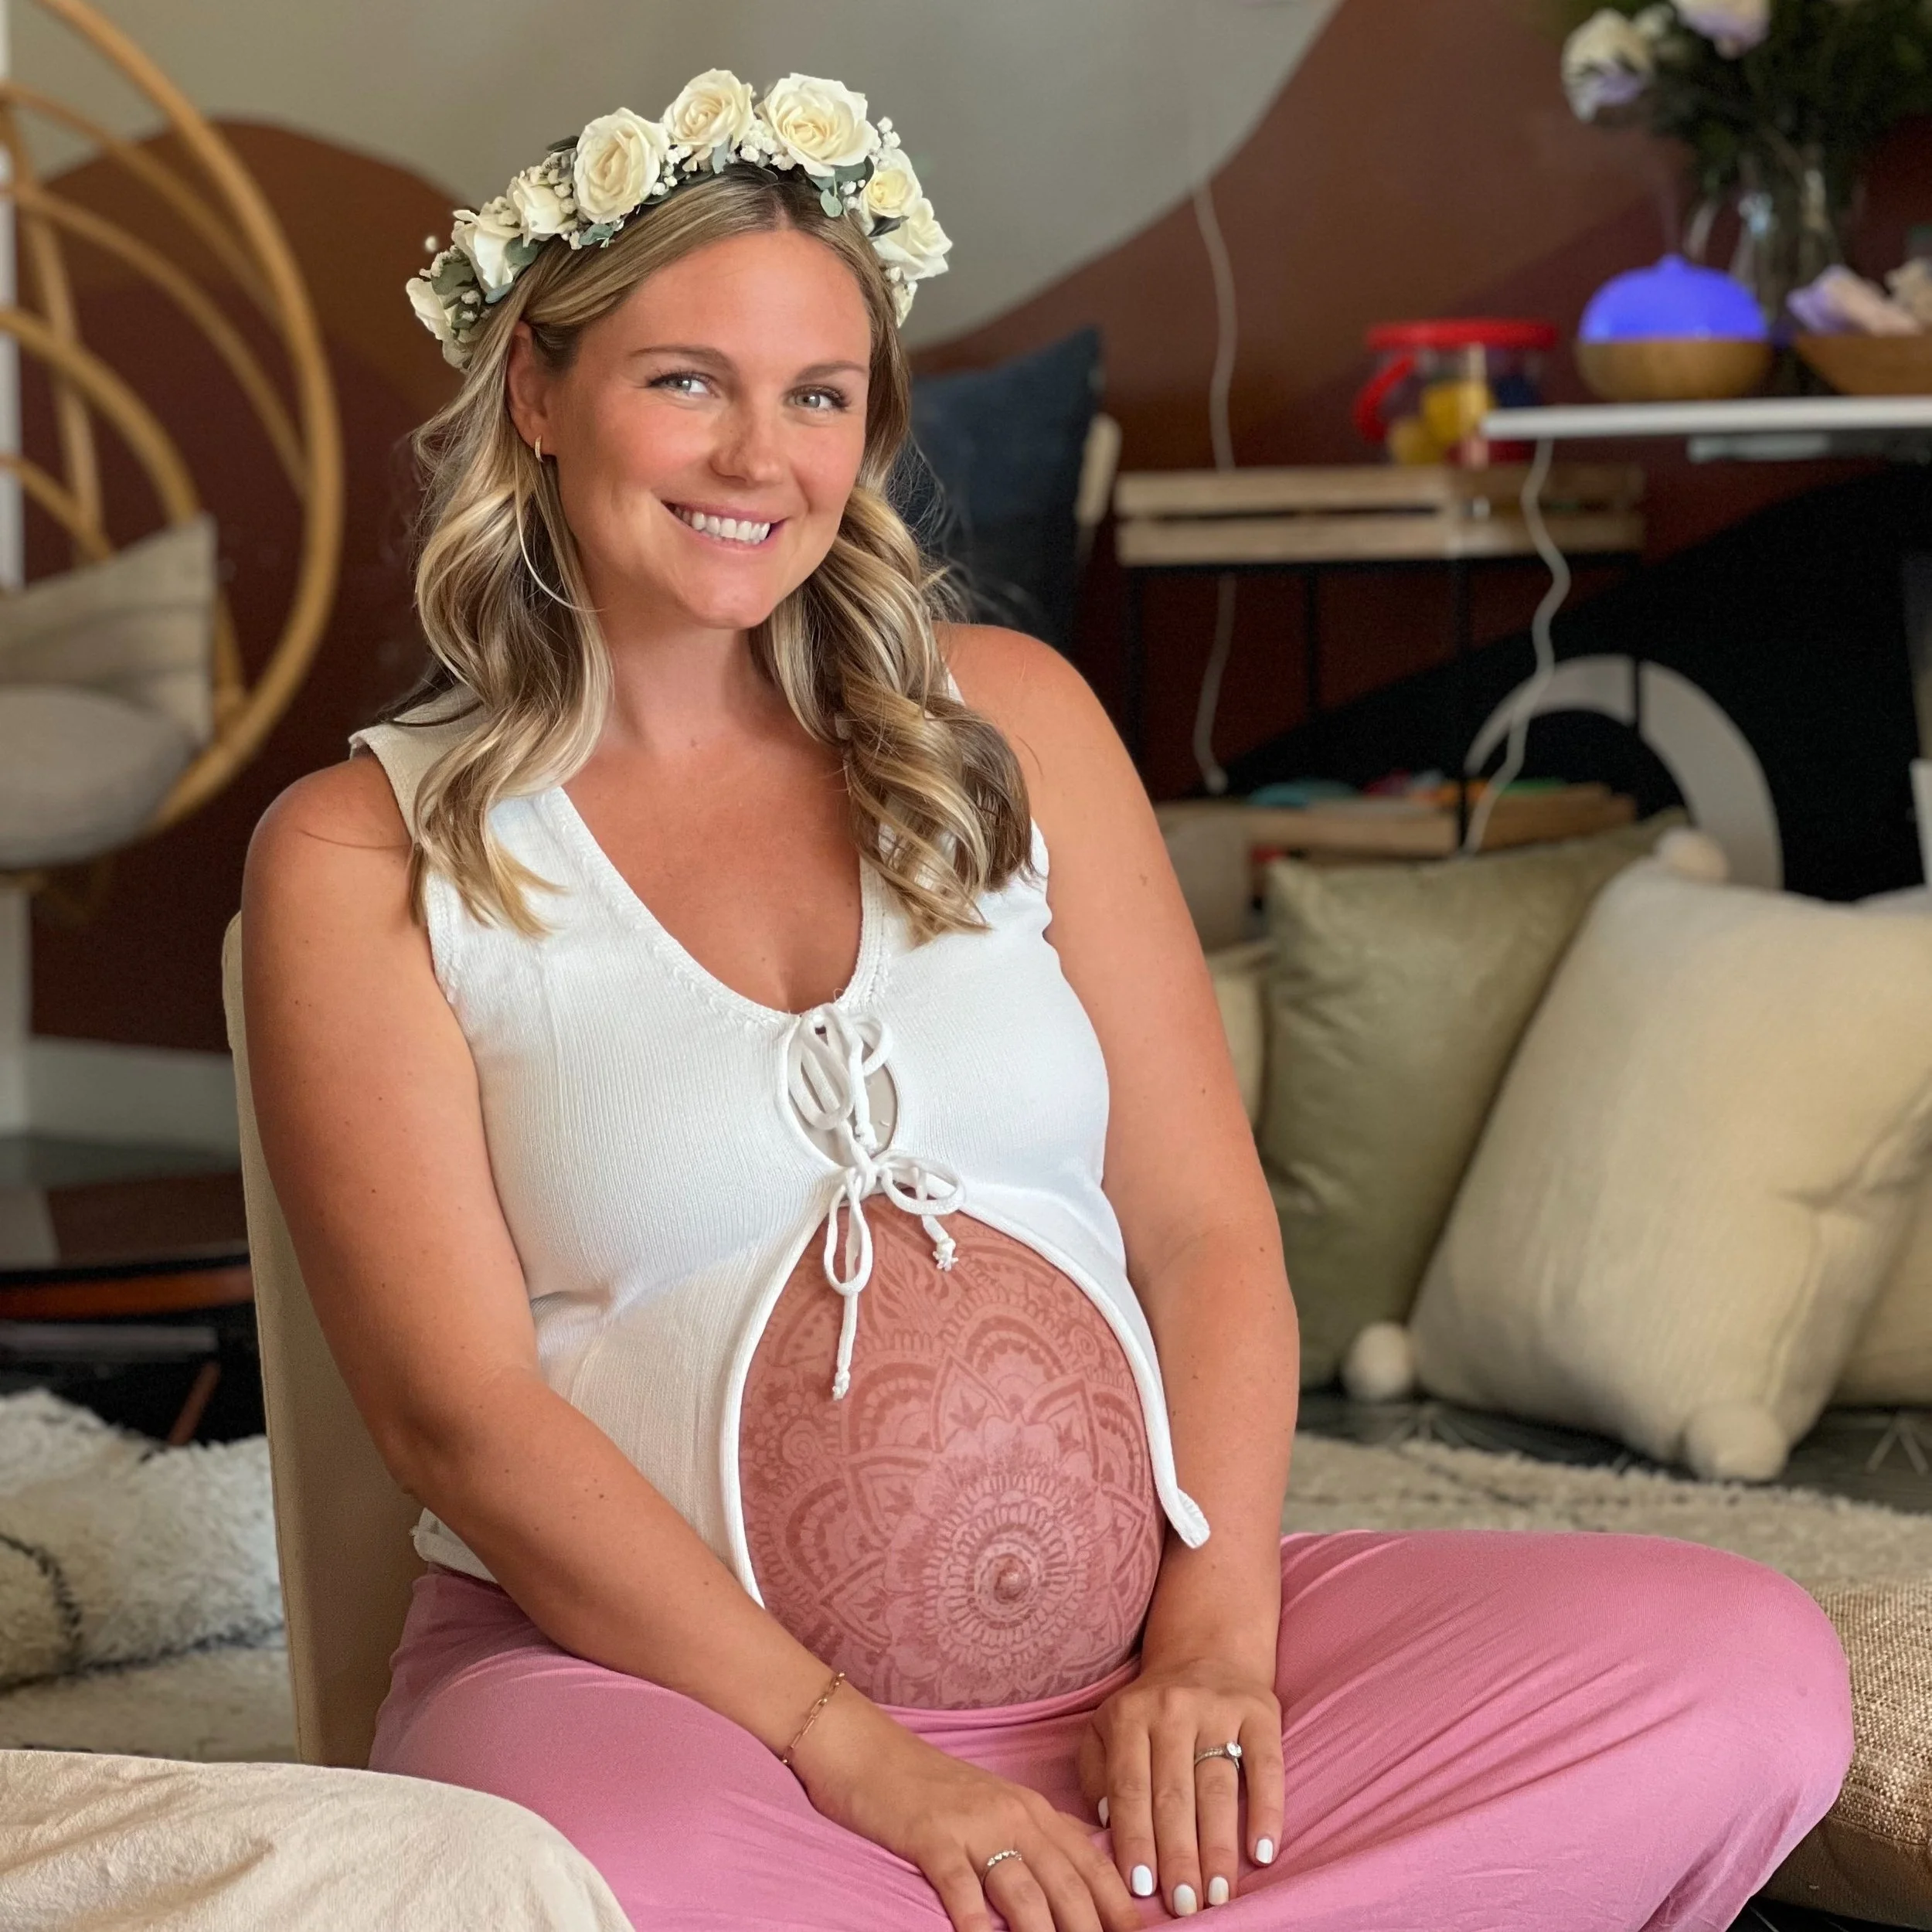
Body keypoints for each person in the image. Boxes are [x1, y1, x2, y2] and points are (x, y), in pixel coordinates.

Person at [242, 69, 1852, 1932]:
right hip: (682, 1725)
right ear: (537, 387)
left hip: (1134, 1685)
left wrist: (1217, 1639)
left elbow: (1200, 1225)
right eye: (687, 380)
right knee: (581, 1879)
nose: (759, 457)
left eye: (818, 395)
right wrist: (862, 1755)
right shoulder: (365, 853)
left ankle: (1113, 1878)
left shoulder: (1007, 721)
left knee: (1737, 1667)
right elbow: (459, 1417)